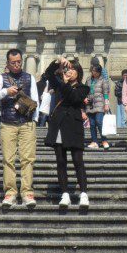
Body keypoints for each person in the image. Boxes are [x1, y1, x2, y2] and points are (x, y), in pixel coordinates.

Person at [0, 48, 39, 209]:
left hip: (26, 123)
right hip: (7, 123)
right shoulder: (1, 79)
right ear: (7, 63)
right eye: (13, 62)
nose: (17, 65)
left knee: (27, 159)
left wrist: (35, 120)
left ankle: (27, 192)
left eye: (19, 62)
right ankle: (10, 192)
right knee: (8, 159)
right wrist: (5, 91)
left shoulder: (29, 77)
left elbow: (35, 99)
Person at [43, 57, 90, 208]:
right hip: (59, 125)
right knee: (61, 161)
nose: (69, 72)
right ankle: (64, 194)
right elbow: (48, 74)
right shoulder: (59, 82)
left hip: (74, 126)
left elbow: (74, 98)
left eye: (72, 69)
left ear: (79, 72)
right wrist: (57, 62)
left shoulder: (83, 88)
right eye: (67, 68)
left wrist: (63, 83)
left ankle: (83, 193)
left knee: (78, 161)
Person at [85, 63, 110, 150]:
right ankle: (94, 141)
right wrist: (85, 98)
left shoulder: (103, 80)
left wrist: (106, 104)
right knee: (92, 124)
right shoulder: (88, 80)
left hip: (100, 103)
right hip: (90, 104)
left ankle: (104, 140)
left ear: (99, 72)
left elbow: (106, 93)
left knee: (99, 122)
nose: (94, 72)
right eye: (92, 70)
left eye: (95, 71)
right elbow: (85, 91)